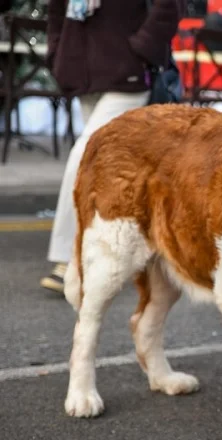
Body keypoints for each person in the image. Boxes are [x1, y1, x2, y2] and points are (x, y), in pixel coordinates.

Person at [40, 0, 184, 293]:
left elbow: (171, 5)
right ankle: (104, 254)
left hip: (127, 74)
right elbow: (57, 7)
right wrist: (57, 50)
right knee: (104, 171)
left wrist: (142, 49)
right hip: (82, 71)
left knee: (85, 156)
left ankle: (70, 258)